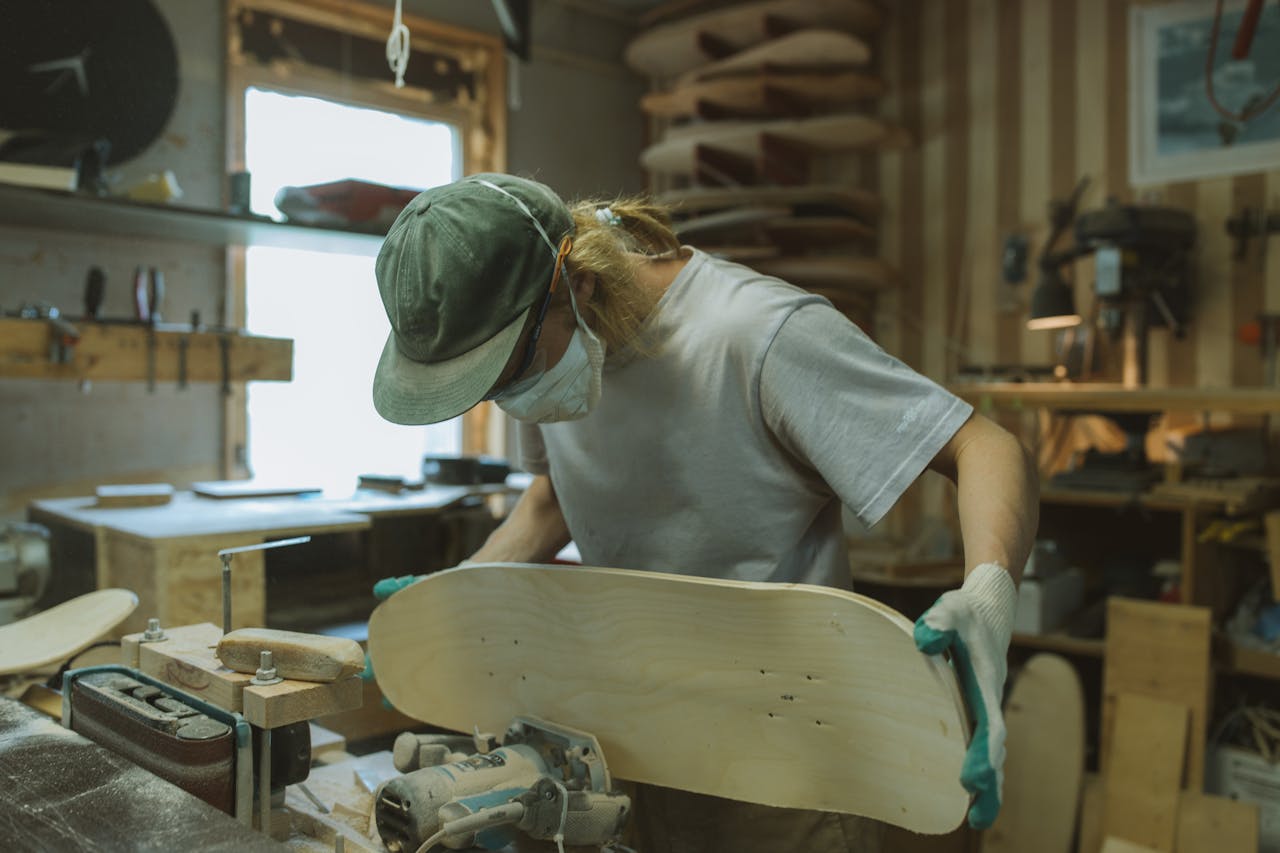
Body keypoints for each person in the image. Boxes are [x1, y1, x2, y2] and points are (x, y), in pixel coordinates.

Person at [371, 172, 1039, 852]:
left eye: (508, 371)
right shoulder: (553, 355)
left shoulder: (755, 336)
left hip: (787, 760)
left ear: (579, 284)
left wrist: (988, 593)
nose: (506, 398)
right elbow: (556, 494)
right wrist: (461, 591)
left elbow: (982, 444)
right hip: (633, 739)